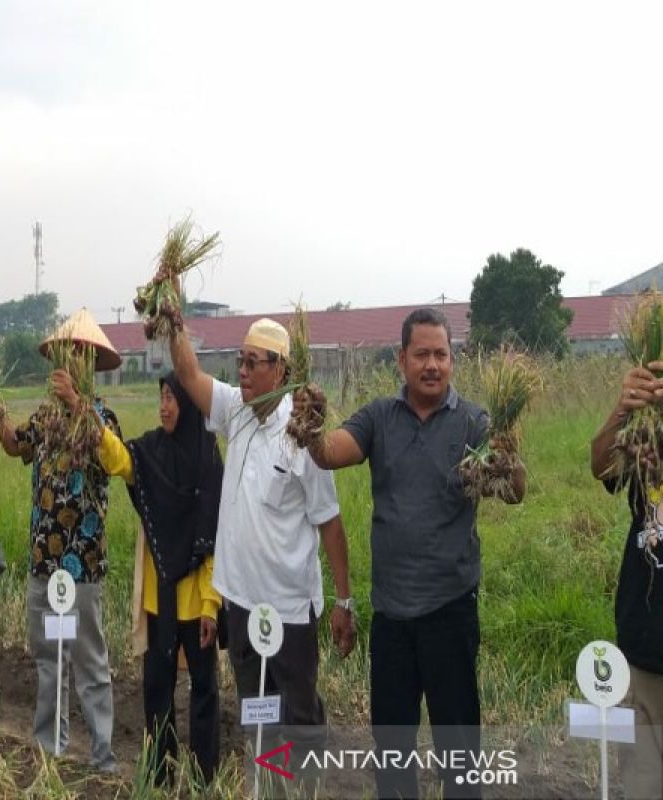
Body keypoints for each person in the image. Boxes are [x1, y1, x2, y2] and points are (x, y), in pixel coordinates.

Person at [296, 307, 525, 799]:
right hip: (393, 620)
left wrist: (508, 453)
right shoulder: (380, 417)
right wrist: (311, 428)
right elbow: (331, 451)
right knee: (393, 755)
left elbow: (514, 490)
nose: (432, 365)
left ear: (452, 360)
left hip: (451, 612)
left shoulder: (473, 421)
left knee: (459, 753)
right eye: (421, 354)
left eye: (441, 355)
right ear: (402, 359)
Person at [166, 314, 354, 784]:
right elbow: (188, 374)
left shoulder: (302, 437)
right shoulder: (236, 410)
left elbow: (330, 525)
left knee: (299, 713)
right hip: (241, 603)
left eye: (254, 363)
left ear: (282, 370)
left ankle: (305, 787)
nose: (243, 372)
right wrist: (172, 317)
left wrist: (344, 601)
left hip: (288, 609)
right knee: (257, 710)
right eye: (240, 361)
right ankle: (266, 786)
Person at [0, 308, 122, 772]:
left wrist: (78, 405)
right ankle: (51, 749)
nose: (65, 366)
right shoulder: (44, 419)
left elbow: (114, 460)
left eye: (76, 357)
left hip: (81, 566)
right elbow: (13, 444)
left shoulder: (103, 418)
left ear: (89, 364)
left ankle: (103, 759)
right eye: (63, 357)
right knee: (50, 659)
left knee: (89, 663)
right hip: (44, 563)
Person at [97, 373, 223, 785]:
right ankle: (161, 775)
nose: (164, 406)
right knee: (157, 691)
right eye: (161, 397)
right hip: (159, 598)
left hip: (197, 603)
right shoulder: (150, 450)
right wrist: (88, 417)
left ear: (189, 405)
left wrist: (210, 606)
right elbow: (119, 461)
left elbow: (215, 539)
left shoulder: (207, 457)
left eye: (172, 398)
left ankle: (205, 777)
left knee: (204, 690)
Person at [590, 359, 663, 799]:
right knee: (643, 786)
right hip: (644, 649)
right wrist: (623, 409)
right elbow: (600, 467)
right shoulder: (645, 429)